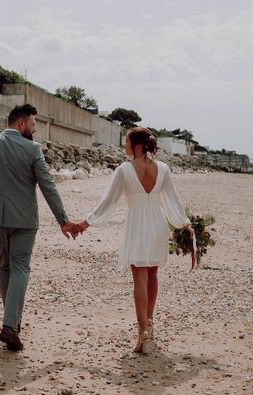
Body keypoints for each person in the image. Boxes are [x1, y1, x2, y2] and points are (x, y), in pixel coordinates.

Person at [0, 103, 79, 352]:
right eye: (33, 125)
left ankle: (11, 322)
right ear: (21, 124)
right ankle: (10, 325)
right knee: (20, 267)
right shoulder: (32, 149)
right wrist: (63, 220)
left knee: (4, 266)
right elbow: (48, 186)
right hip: (24, 220)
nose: (34, 130)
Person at [77, 127, 194, 354]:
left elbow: (108, 202)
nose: (124, 147)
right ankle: (149, 322)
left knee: (139, 278)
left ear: (137, 146)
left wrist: (86, 222)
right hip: (157, 223)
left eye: (127, 143)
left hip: (137, 224)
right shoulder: (163, 168)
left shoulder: (124, 170)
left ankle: (143, 333)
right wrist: (185, 224)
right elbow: (173, 201)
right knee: (152, 274)